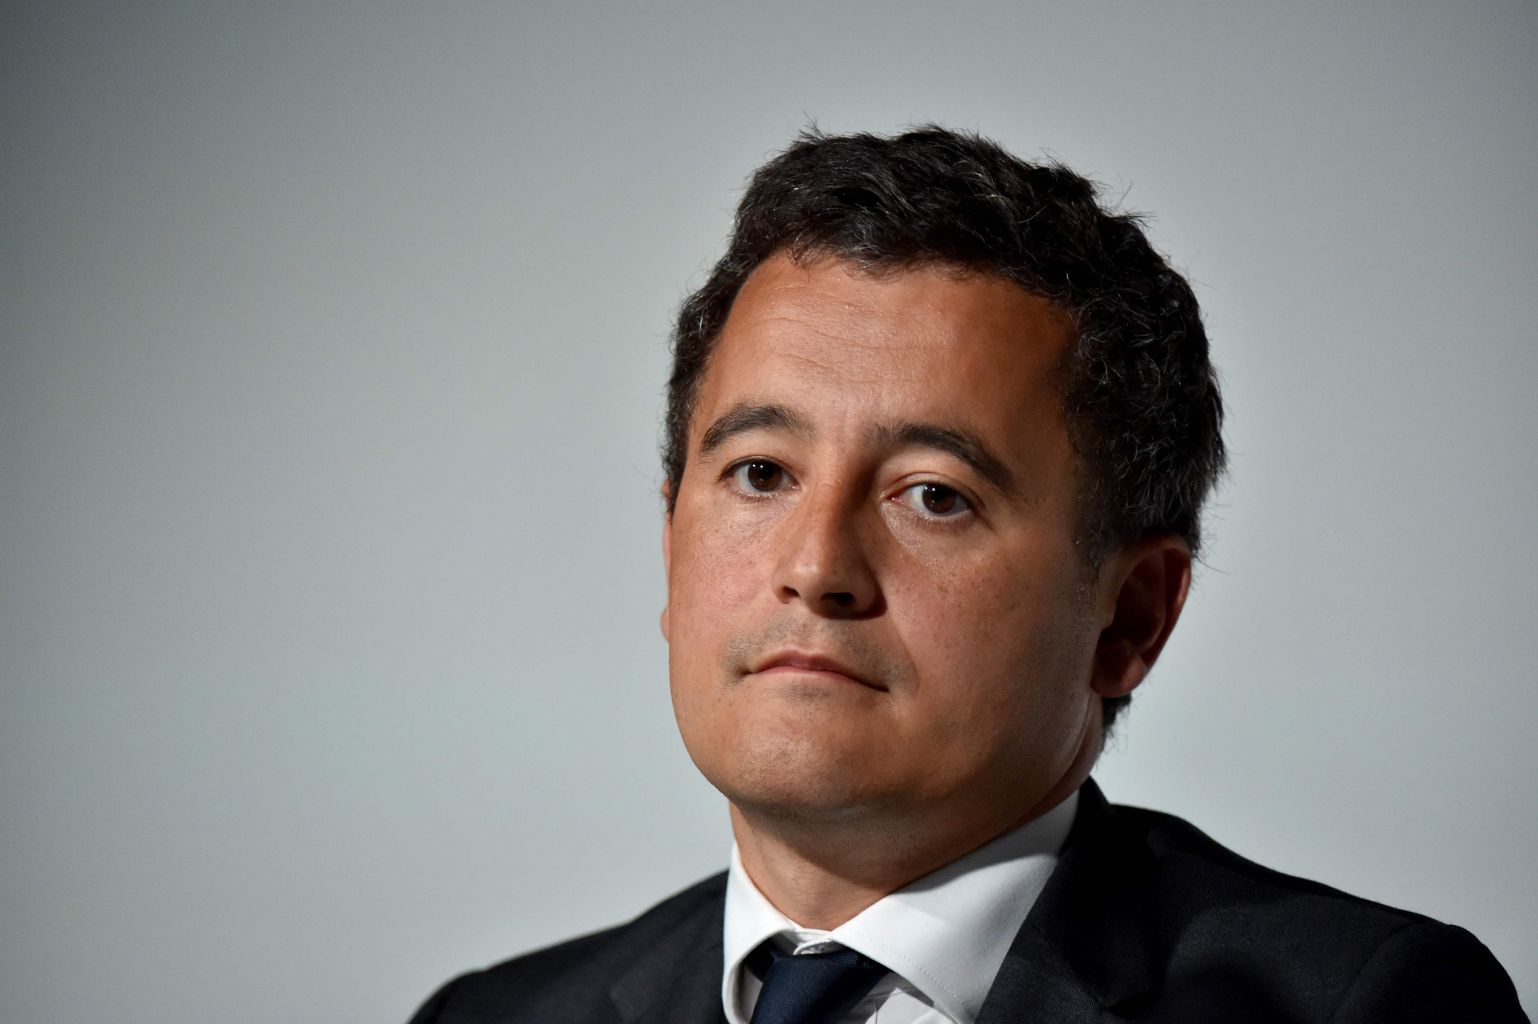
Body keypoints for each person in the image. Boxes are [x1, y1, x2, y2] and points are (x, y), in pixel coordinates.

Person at [408, 127, 1526, 1023]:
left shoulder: (1361, 1004)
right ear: (670, 547)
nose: (815, 567)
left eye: (934, 495)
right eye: (761, 473)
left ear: (1129, 617)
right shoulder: (495, 1014)